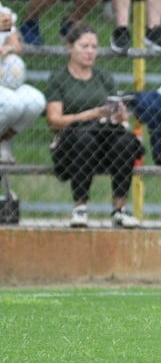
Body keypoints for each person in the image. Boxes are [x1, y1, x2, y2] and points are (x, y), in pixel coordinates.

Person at [44, 22, 144, 228]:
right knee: (85, 138)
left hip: (104, 140)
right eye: (84, 46)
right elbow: (54, 121)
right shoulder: (59, 78)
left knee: (124, 141)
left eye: (94, 47)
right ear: (70, 48)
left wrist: (119, 116)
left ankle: (120, 210)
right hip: (72, 144)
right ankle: (80, 208)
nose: (90, 52)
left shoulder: (103, 77)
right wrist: (89, 114)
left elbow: (119, 118)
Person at [0, 0, 45, 163]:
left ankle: (3, 138)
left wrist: (10, 47)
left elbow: (17, 46)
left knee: (36, 101)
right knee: (12, 104)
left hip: (4, 81)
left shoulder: (2, 10)